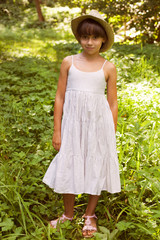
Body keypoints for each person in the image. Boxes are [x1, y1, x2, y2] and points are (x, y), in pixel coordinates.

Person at [43, 10, 121, 238]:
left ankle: (90, 214)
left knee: (95, 163)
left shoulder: (108, 67)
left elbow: (113, 102)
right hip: (72, 125)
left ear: (103, 39)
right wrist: (57, 129)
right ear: (79, 38)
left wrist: (111, 131)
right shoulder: (69, 63)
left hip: (99, 125)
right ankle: (68, 214)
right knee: (70, 162)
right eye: (85, 37)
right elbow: (59, 97)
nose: (89, 42)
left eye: (94, 37)